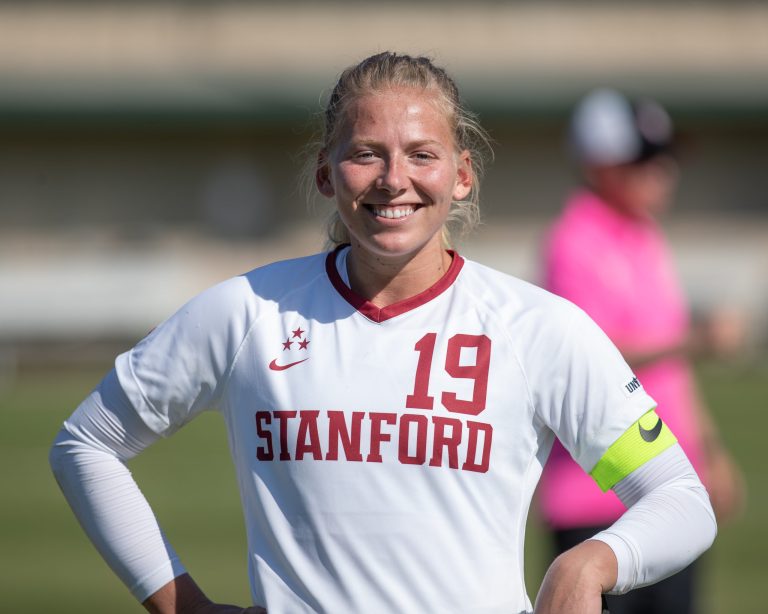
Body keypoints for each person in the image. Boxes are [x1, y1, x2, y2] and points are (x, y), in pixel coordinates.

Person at [50, 53, 717, 614]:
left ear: (460, 175)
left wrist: (594, 561)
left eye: (420, 155)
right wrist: (182, 603)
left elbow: (681, 501)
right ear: (325, 173)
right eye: (366, 155)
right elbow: (86, 444)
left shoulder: (537, 329)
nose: (394, 180)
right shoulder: (247, 312)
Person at [537, 88, 745, 614]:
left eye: (665, 159)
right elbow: (593, 357)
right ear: (601, 164)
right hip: (595, 491)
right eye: (646, 161)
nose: (663, 173)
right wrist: (696, 341)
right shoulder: (573, 240)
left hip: (667, 488)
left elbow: (673, 370)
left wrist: (709, 453)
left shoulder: (646, 237)